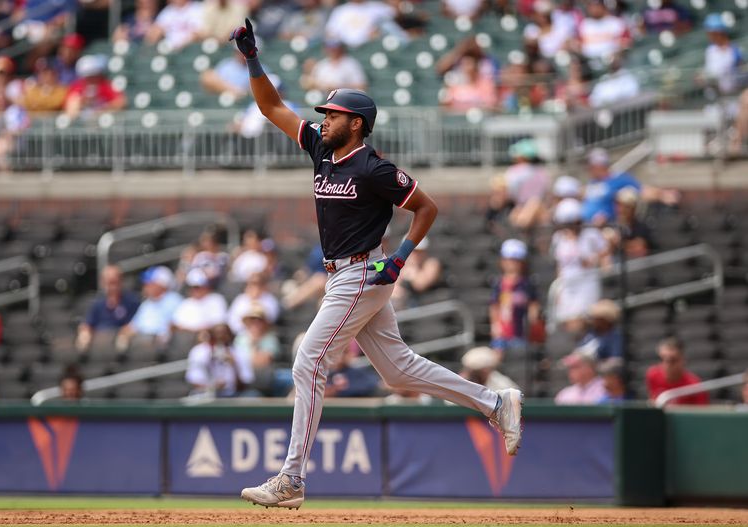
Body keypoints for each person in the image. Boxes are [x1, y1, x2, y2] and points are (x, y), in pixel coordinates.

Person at [230, 18, 522, 509]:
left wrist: (401, 260)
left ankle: (291, 478)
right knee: (398, 370)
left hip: (364, 272)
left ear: (357, 123)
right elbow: (271, 106)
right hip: (343, 273)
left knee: (309, 361)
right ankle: (496, 402)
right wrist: (253, 59)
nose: (325, 118)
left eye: (334, 113)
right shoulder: (322, 149)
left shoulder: (375, 167)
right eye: (325, 113)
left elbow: (426, 207)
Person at [550, 198, 610, 334]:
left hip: (586, 282)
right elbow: (560, 265)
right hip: (567, 284)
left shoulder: (590, 233)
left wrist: (594, 259)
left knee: (582, 320)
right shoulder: (558, 237)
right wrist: (559, 288)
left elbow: (605, 250)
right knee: (566, 320)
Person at [489, 239, 540, 353]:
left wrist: (533, 317)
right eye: (508, 260)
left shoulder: (527, 283)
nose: (511, 264)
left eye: (515, 260)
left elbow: (533, 303)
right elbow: (494, 305)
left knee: (519, 356)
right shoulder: (499, 283)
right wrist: (495, 325)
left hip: (520, 330)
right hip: (503, 330)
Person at [76, 265, 140, 352]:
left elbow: (136, 324)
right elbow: (87, 324)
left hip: (120, 340)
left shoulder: (132, 301)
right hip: (100, 341)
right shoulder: (97, 304)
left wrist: (122, 333)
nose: (112, 287)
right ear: (103, 283)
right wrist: (85, 333)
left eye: (115, 282)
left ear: (120, 281)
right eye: (109, 283)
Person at [118, 266, 183, 346]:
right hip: (142, 344)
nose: (145, 286)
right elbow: (133, 327)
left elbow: (178, 325)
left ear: (161, 284)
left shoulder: (175, 300)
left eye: (150, 283)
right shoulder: (146, 304)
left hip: (164, 346)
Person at [186, 323, 253, 397]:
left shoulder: (239, 352)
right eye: (217, 334)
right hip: (206, 394)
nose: (220, 337)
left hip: (233, 395)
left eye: (224, 334)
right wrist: (213, 387)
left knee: (252, 395)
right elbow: (194, 381)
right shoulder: (199, 351)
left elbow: (245, 384)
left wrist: (234, 365)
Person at [646, 337, 709, 405]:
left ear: (683, 360)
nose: (666, 364)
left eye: (672, 360)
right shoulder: (652, 375)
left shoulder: (695, 386)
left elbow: (701, 413)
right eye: (662, 359)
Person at [64, 55, 127, 121]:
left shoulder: (105, 85)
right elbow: (70, 108)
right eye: (88, 76)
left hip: (102, 122)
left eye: (94, 74)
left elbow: (121, 101)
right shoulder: (77, 86)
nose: (92, 79)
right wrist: (82, 102)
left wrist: (101, 110)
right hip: (81, 123)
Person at [391, 237, 441, 310]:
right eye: (411, 251)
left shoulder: (432, 263)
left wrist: (412, 272)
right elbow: (394, 288)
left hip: (430, 305)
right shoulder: (400, 266)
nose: (415, 255)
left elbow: (420, 285)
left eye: (419, 251)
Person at [172, 268, 228, 332]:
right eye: (192, 287)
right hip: (188, 337)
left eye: (198, 287)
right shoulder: (186, 303)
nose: (195, 290)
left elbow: (219, 324)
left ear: (206, 286)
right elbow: (176, 324)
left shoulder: (216, 299)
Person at [301, 40, 367, 93]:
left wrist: (338, 87)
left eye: (334, 48)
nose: (332, 50)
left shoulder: (350, 64)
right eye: (329, 47)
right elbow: (310, 83)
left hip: (344, 98)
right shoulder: (322, 64)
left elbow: (361, 85)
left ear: (340, 48)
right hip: (324, 99)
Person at [701, 13, 744, 96]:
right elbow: (709, 71)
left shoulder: (734, 50)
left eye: (712, 33)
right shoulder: (710, 50)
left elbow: (741, 72)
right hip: (714, 97)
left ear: (719, 32)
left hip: (732, 96)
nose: (710, 36)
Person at [324, 0, 395, 49]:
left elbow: (395, 15)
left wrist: (380, 30)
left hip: (372, 48)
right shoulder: (340, 11)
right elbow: (330, 33)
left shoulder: (377, 7)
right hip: (347, 51)